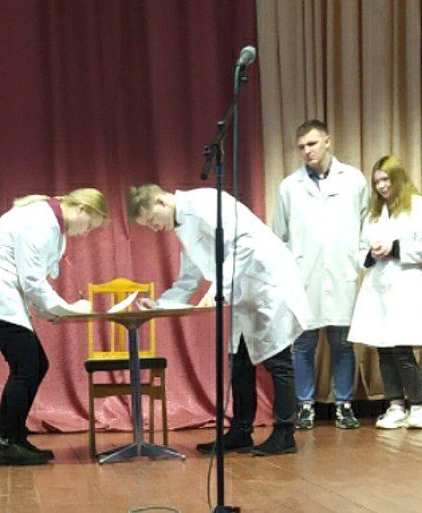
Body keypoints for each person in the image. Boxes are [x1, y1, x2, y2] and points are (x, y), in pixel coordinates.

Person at [127, 184, 310, 456]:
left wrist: (218, 290)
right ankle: (240, 431)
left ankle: (285, 433)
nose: (155, 229)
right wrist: (161, 303)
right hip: (243, 293)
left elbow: (243, 244)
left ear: (161, 202)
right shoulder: (182, 225)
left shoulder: (204, 202)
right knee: (240, 363)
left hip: (267, 283)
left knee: (278, 360)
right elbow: (191, 275)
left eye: (152, 220)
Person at [0, 189, 108, 466]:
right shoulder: (42, 221)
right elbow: (32, 280)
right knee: (27, 367)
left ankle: (15, 438)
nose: (86, 233)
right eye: (90, 225)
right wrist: (65, 309)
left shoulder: (49, 221)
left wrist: (55, 310)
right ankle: (7, 444)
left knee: (36, 364)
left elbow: (32, 280)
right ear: (82, 209)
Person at [272, 119, 368, 430]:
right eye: (301, 147)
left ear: (327, 141)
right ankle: (305, 406)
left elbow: (366, 224)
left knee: (342, 344)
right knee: (303, 345)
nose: (307, 151)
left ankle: (344, 405)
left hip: (342, 273)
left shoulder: (353, 179)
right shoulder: (289, 186)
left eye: (312, 144)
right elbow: (280, 235)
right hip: (304, 276)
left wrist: (358, 261)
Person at [349, 156, 422, 429]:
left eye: (386, 179)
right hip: (377, 286)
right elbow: (360, 251)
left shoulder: (419, 206)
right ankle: (395, 406)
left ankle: (417, 407)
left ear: (397, 177)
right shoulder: (374, 213)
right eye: (377, 181)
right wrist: (371, 254)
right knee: (384, 349)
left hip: (405, 285)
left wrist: (395, 248)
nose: (381, 186)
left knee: (402, 349)